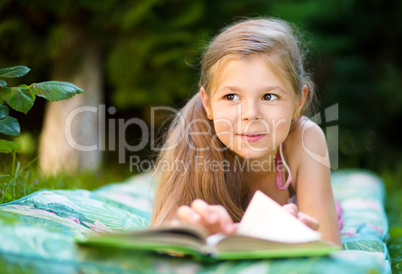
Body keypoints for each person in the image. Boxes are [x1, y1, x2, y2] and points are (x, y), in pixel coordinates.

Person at [150, 18, 342, 247]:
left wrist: (286, 235)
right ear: (208, 104)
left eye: (269, 96)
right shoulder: (188, 139)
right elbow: (160, 241)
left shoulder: (305, 138)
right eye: (231, 97)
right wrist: (201, 234)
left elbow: (329, 246)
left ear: (298, 102)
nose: (251, 114)